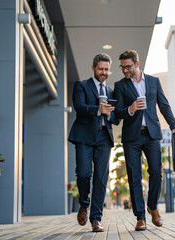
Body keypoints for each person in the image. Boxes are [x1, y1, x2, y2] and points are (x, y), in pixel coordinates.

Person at [113, 50, 175, 231]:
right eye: (122, 67)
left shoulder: (153, 81)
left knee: (156, 172)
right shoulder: (120, 86)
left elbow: (163, 105)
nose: (125, 70)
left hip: (151, 134)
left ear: (137, 64)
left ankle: (153, 207)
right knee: (134, 177)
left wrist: (174, 125)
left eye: (128, 66)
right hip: (131, 137)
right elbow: (116, 113)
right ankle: (140, 217)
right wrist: (130, 109)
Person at [68, 53, 119, 232]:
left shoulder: (111, 91)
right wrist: (98, 109)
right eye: (101, 69)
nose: (104, 72)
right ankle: (84, 203)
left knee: (101, 178)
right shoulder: (82, 85)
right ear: (93, 68)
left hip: (104, 137)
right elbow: (79, 107)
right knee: (83, 174)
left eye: (106, 69)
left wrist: (110, 114)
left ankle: (96, 219)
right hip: (84, 135)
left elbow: (116, 118)